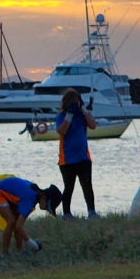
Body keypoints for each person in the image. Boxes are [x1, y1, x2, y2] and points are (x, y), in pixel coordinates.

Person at [0, 176, 62, 257]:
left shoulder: (34, 194)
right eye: (47, 207)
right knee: (11, 221)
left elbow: (19, 226)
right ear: (43, 198)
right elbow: (19, 226)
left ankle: (20, 251)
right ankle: (4, 253)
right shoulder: (30, 199)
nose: (45, 209)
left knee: (16, 220)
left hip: (11, 195)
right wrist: (32, 244)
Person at [55, 88, 97, 220]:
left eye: (76, 101)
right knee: (69, 187)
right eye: (72, 101)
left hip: (83, 157)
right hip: (67, 159)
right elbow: (61, 131)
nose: (75, 103)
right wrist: (69, 116)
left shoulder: (82, 116)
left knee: (87, 186)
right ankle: (66, 213)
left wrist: (84, 110)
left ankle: (91, 211)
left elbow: (93, 125)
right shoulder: (61, 117)